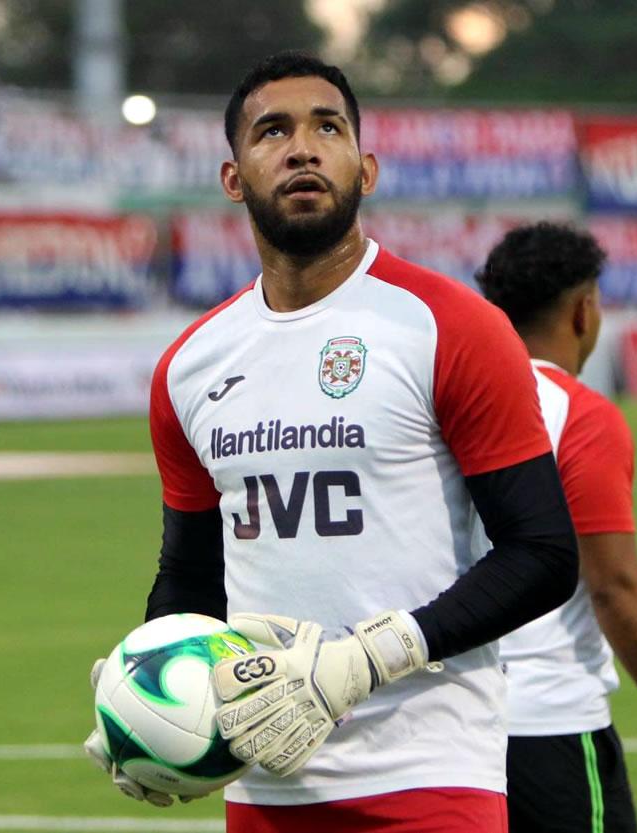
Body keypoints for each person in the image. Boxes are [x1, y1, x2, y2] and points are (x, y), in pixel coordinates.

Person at [84, 52, 579, 832]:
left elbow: (543, 552)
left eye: (327, 127)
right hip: (267, 780)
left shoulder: (452, 327)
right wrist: (142, 691)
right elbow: (191, 576)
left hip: (431, 773)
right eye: (272, 131)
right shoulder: (190, 366)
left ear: (365, 167)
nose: (302, 149)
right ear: (233, 177)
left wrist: (367, 658)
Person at [476, 222, 637, 832]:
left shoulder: (444, 400)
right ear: (584, 311)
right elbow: (614, 585)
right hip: (548, 723)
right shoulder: (580, 416)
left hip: (445, 724)